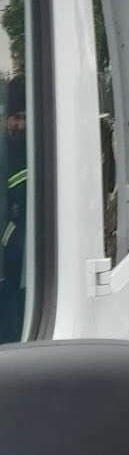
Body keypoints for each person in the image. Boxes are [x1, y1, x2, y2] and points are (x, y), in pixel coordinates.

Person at [0, 75, 27, 343]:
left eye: (24, 118)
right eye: (15, 117)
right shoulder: (4, 152)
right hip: (7, 262)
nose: (19, 125)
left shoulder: (39, 153)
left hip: (25, 262)